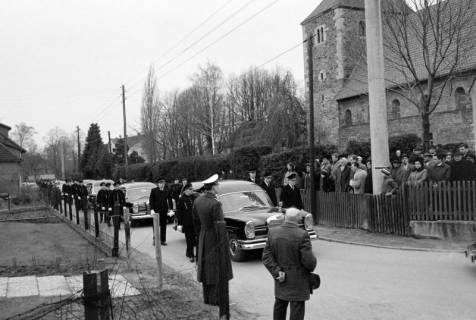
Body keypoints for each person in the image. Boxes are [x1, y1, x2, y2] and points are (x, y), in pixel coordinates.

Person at [262, 208, 317, 320]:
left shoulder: (273, 232)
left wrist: (277, 271)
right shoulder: (302, 235)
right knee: (296, 310)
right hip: (298, 281)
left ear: (285, 218)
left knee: (280, 306)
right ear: (297, 219)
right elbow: (310, 262)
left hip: (281, 278)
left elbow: (266, 256)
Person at [192, 174, 233, 320]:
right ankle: (221, 306)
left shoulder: (197, 200)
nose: (218, 187)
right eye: (217, 185)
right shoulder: (215, 204)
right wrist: (224, 247)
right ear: (213, 187)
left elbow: (195, 223)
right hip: (215, 240)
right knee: (220, 271)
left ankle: (209, 298)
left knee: (207, 270)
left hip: (204, 238)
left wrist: (201, 236)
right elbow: (221, 229)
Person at [149, 177, 173, 245]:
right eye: (160, 183)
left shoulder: (167, 190)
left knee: (163, 225)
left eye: (163, 183)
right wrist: (152, 209)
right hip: (156, 211)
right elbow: (151, 200)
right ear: (158, 184)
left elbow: (170, 200)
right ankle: (155, 239)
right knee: (155, 226)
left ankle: (163, 240)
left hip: (164, 210)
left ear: (164, 184)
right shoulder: (154, 190)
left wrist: (171, 209)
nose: (162, 184)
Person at [177, 182, 197, 262]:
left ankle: (189, 253)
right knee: (189, 240)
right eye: (190, 189)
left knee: (195, 240)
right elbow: (179, 212)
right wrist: (179, 224)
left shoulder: (194, 197)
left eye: (192, 189)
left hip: (194, 222)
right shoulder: (181, 199)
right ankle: (191, 255)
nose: (192, 190)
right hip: (187, 223)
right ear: (185, 190)